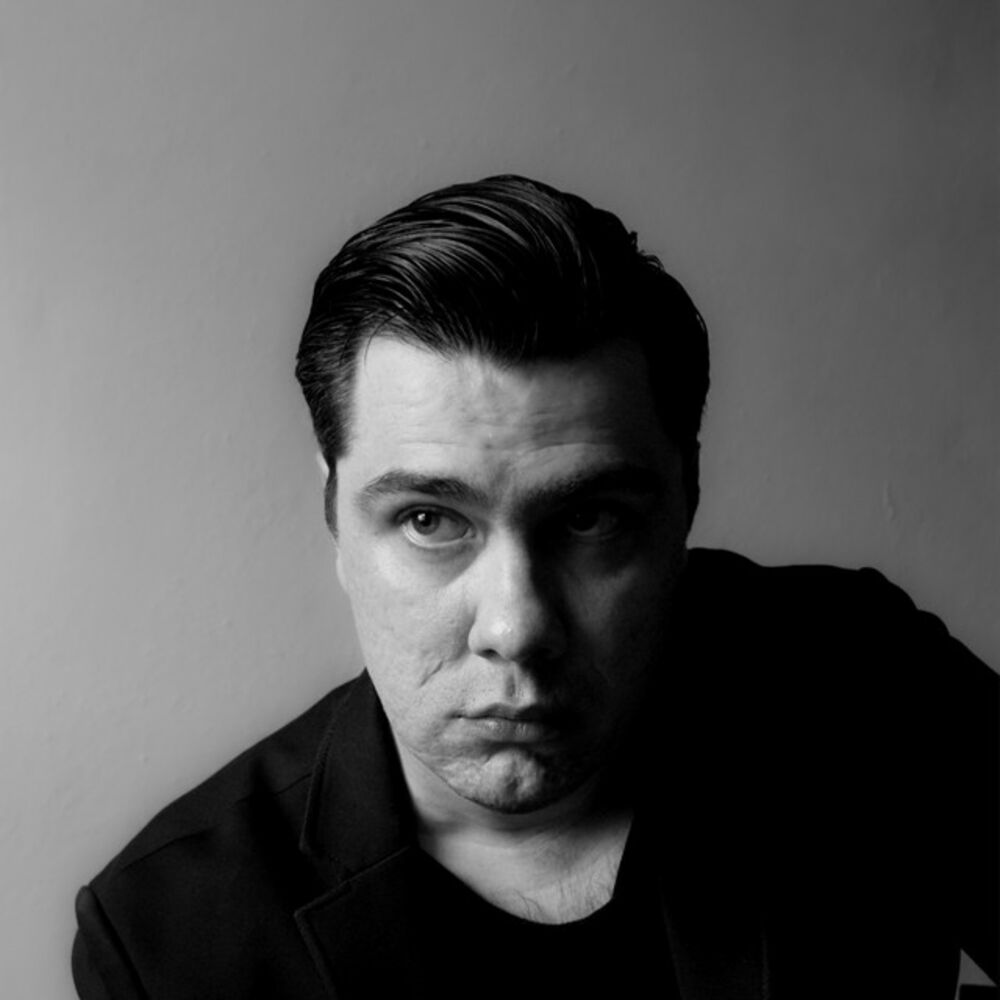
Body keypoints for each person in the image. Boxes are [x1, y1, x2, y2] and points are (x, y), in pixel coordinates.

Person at [72, 175, 998, 999]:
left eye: (590, 521)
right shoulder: (170, 933)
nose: (516, 627)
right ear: (335, 517)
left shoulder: (869, 681)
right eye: (429, 520)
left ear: (686, 499)